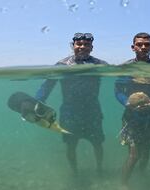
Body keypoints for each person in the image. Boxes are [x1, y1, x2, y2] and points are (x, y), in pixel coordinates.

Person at [35, 32, 108, 176]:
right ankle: (75, 172)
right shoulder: (62, 65)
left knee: (97, 143)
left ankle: (99, 169)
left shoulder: (100, 64)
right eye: (79, 44)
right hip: (69, 112)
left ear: (91, 47)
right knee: (71, 144)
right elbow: (48, 84)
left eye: (86, 45)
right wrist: (38, 101)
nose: (82, 47)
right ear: (72, 46)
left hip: (92, 112)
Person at [114, 32, 150, 190]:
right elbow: (118, 90)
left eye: (147, 44)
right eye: (139, 44)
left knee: (146, 151)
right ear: (133, 47)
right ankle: (123, 184)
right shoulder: (126, 68)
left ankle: (142, 173)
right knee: (134, 154)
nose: (143, 47)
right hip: (131, 117)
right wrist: (127, 102)